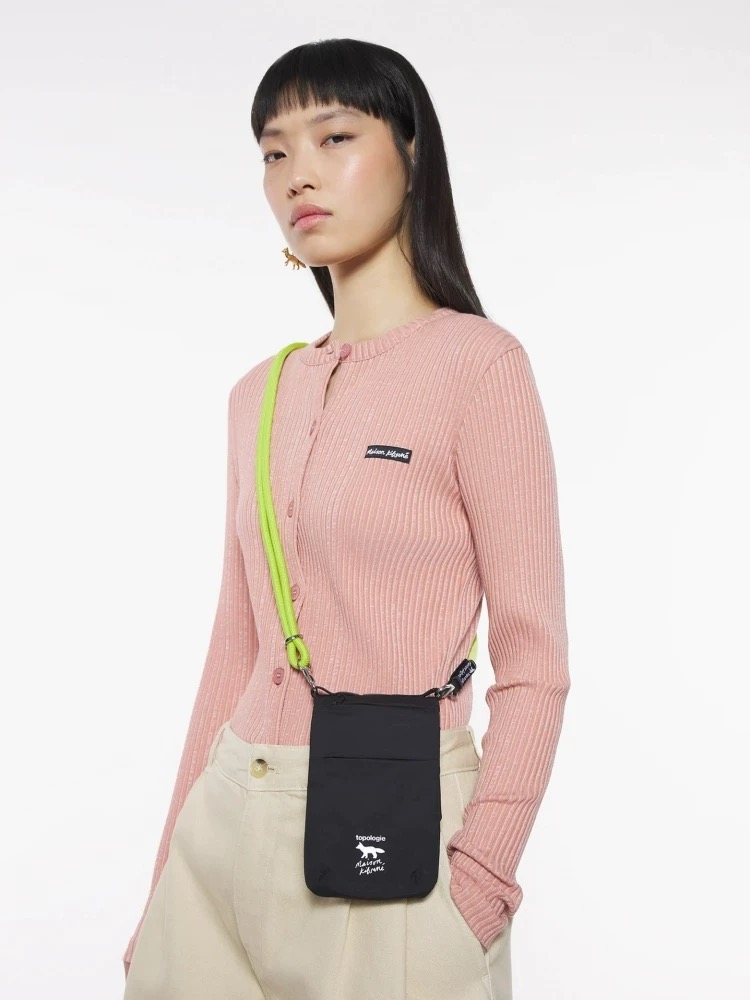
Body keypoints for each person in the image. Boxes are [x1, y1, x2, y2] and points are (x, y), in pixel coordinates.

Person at [122, 36, 571, 1000]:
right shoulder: (258, 393)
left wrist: (478, 889)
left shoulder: (479, 367)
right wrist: (164, 887)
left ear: (411, 155)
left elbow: (536, 659)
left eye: (334, 136)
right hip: (222, 841)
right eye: (274, 152)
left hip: (396, 847)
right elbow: (234, 646)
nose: (298, 174)